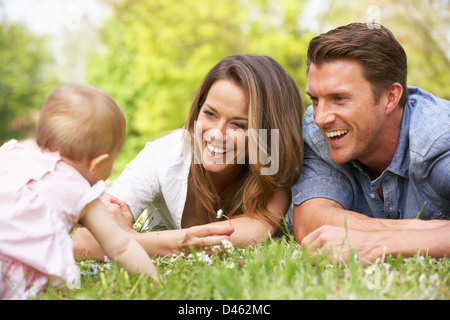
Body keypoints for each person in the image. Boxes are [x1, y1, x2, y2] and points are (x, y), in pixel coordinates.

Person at [73, 54, 304, 259]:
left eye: (239, 125)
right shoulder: (165, 155)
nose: (216, 135)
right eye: (210, 114)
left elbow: (256, 229)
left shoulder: (272, 159)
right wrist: (172, 243)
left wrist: (129, 239)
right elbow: (83, 242)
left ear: (267, 131)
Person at [292, 22, 450, 264]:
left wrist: (379, 245)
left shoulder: (438, 142)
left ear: (390, 97)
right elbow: (310, 222)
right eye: (315, 99)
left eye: (339, 98)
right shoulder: (317, 134)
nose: (320, 118)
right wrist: (430, 232)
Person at [0, 83, 157, 300]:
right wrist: (153, 281)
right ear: (98, 163)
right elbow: (122, 247)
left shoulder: (11, 155)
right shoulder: (83, 194)